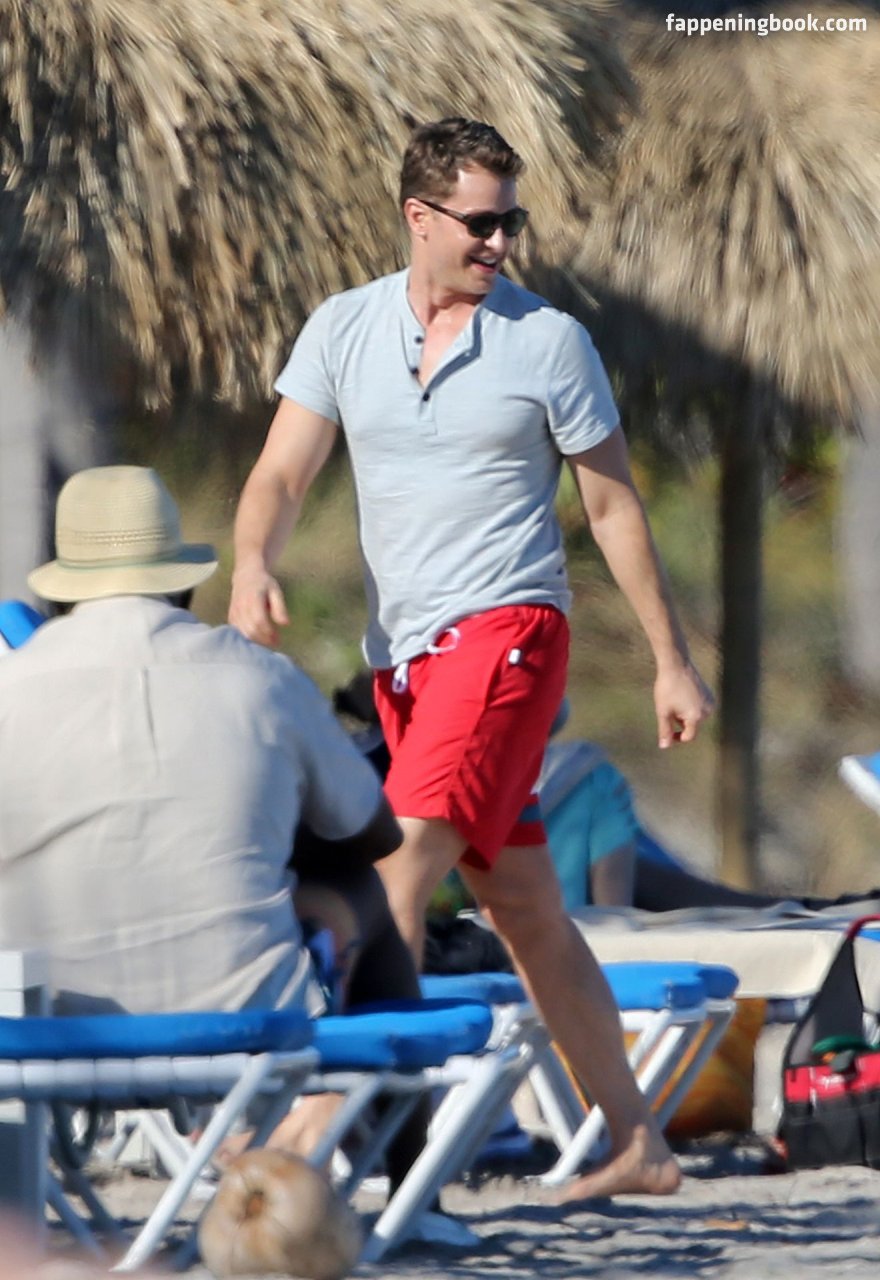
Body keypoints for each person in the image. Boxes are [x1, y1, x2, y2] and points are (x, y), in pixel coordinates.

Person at [228, 117, 714, 1201]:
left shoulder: (549, 341)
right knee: (524, 905)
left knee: (396, 873)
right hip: (401, 665)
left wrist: (670, 659)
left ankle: (316, 1145)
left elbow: (611, 506)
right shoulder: (343, 327)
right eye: (481, 222)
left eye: (511, 221)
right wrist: (252, 562)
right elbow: (280, 475)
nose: (500, 242)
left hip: (508, 636)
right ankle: (638, 1140)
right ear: (419, 216)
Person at [0, 464, 427, 1187]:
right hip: (244, 1028)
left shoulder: (10, 686)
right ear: (184, 587)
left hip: (40, 1034)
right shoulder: (261, 679)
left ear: (62, 594)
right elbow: (377, 835)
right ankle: (414, 1192)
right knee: (365, 890)